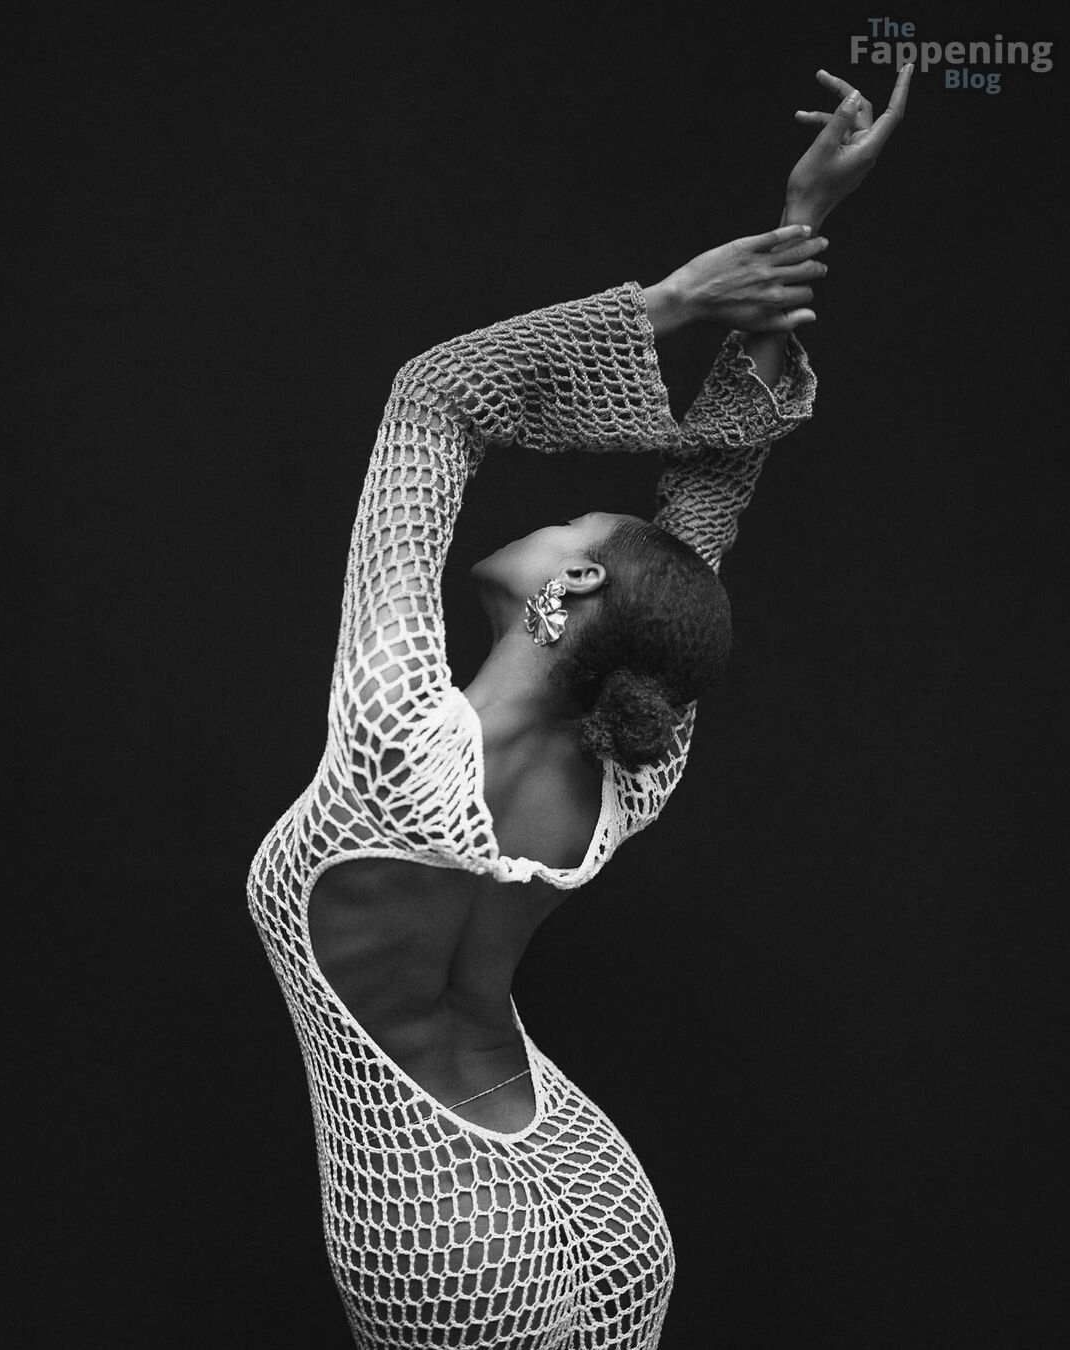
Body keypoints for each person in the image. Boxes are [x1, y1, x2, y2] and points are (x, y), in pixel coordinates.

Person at [247, 65, 912, 1349]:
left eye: (568, 524)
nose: (543, 523)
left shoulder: (397, 733)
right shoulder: (633, 769)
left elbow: (434, 395)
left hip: (435, 1210)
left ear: (574, 590)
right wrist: (798, 227)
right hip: (585, 1183)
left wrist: (672, 301)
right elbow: (702, 516)